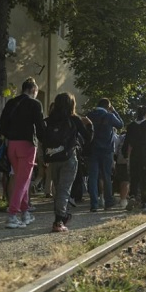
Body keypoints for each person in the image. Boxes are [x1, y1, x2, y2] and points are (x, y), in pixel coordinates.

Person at [0, 77, 45, 229]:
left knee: (20, 179)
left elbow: (3, 122)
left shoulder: (11, 102)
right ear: (33, 90)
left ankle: (25, 213)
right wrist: (47, 140)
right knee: (22, 182)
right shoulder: (34, 104)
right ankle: (12, 215)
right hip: (27, 145)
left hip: (12, 145)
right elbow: (40, 126)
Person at [45, 92, 92, 232]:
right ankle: (59, 221)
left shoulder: (49, 120)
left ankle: (61, 217)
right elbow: (88, 138)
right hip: (69, 158)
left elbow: (43, 137)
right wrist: (89, 125)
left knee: (58, 189)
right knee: (64, 190)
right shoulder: (74, 119)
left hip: (53, 158)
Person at [86, 98, 124, 211]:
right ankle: (108, 202)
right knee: (107, 176)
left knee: (93, 177)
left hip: (92, 149)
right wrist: (114, 111)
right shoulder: (109, 116)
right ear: (108, 106)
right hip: (106, 150)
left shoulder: (90, 115)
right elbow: (120, 125)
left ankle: (94, 204)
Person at [123, 106, 146, 211]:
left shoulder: (131, 126)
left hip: (134, 154)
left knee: (134, 177)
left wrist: (125, 154)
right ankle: (145, 201)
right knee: (145, 179)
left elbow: (127, 141)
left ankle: (132, 196)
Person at [114, 131, 130, 208]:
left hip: (119, 160)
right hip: (127, 160)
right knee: (126, 180)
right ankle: (123, 200)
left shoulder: (121, 137)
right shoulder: (133, 137)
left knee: (121, 180)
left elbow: (116, 148)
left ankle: (123, 198)